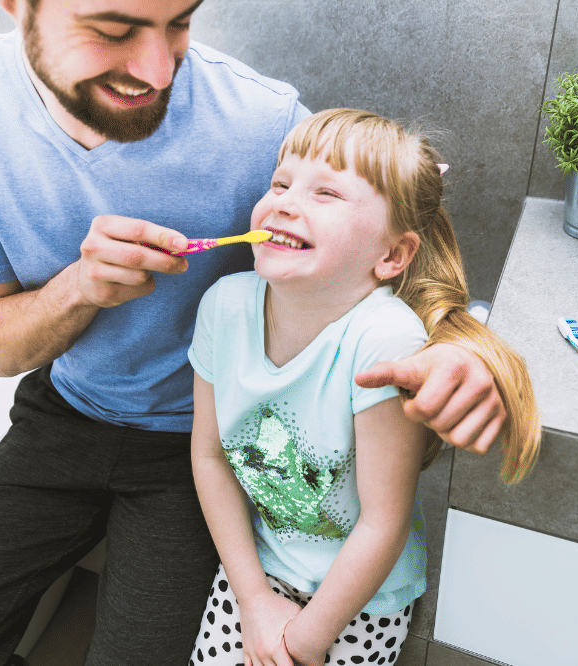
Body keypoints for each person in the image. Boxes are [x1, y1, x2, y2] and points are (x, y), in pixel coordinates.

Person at [0, 2, 518, 665]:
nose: (157, 69)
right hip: (60, 418)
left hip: (188, 447)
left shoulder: (264, 120)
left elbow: (391, 255)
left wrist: (466, 354)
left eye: (179, 21)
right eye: (113, 30)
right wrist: (77, 288)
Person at [186, 109, 539, 666]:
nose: (283, 200)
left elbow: (383, 521)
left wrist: (304, 640)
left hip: (362, 601)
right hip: (256, 575)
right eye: (280, 183)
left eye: (326, 193)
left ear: (392, 256)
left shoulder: (384, 339)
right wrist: (253, 600)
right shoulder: (222, 306)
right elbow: (209, 458)